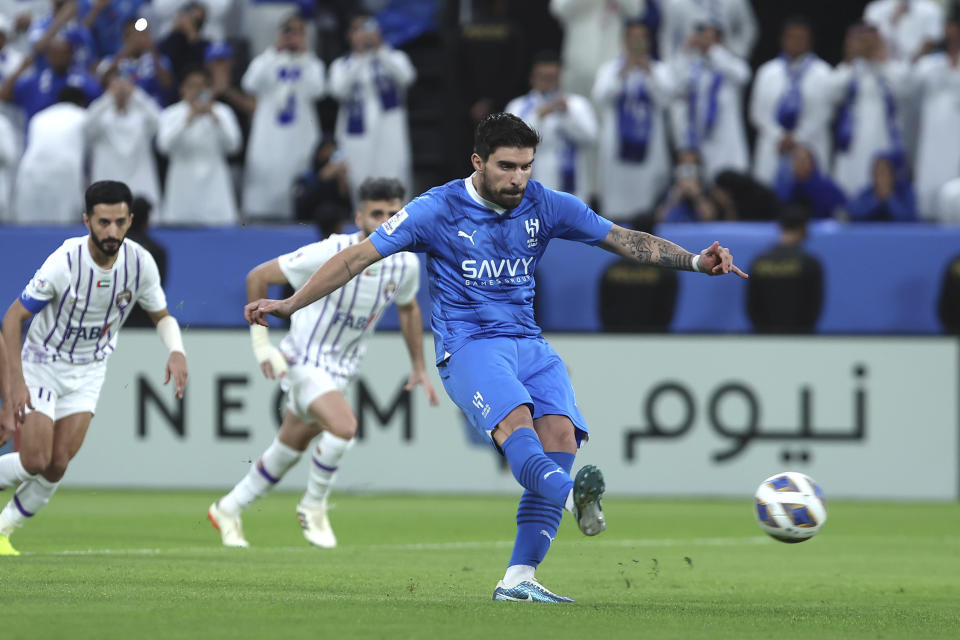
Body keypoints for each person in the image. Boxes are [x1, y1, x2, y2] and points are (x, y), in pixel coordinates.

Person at [245, 113, 748, 602]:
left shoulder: (546, 204)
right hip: (469, 346)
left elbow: (621, 239)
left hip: (529, 343)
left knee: (561, 438)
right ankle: (572, 497)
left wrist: (695, 262)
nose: (518, 178)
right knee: (518, 427)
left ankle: (518, 579)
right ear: (477, 161)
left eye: (527, 165)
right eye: (507, 166)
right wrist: (289, 303)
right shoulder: (434, 209)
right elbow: (356, 258)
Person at [209, 177, 439, 549]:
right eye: (376, 213)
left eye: (393, 213)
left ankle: (228, 507)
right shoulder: (331, 251)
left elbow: (409, 308)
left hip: (342, 369)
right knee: (345, 427)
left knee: (288, 447)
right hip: (303, 359)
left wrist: (418, 366)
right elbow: (259, 277)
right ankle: (313, 505)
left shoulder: (406, 265)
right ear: (358, 215)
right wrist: (262, 346)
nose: (385, 220)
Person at [0, 180, 188, 556]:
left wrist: (177, 350)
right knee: (35, 459)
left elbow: (161, 315)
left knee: (57, 464)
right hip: (43, 362)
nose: (112, 232)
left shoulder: (140, 263)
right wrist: (15, 386)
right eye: (103, 222)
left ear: (130, 220)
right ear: (87, 220)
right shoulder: (64, 262)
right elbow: (12, 318)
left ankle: (3, 529)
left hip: (89, 370)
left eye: (119, 222)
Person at [241, 13, 326, 222]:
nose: (292, 36)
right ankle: (262, 215)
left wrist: (305, 55)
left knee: (298, 169)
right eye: (288, 31)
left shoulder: (312, 63)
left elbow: (319, 89)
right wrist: (274, 51)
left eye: (298, 32)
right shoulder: (267, 60)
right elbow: (249, 83)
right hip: (269, 132)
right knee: (268, 169)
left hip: (300, 132)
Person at [592, 20, 675, 222]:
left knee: (646, 196)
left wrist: (650, 73)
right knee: (616, 194)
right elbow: (600, 98)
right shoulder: (610, 69)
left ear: (648, 41)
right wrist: (622, 73)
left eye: (642, 38)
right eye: (633, 37)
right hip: (618, 147)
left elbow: (667, 100)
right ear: (625, 41)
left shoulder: (660, 69)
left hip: (650, 146)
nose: (638, 42)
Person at [329, 14, 416, 200]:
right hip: (356, 138)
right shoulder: (341, 65)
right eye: (357, 30)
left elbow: (406, 77)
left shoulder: (395, 57)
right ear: (349, 35)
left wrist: (380, 49)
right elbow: (338, 90)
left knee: (395, 183)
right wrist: (359, 57)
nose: (363, 34)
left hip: (391, 135)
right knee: (360, 185)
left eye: (367, 28)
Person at [749, 17, 835, 187]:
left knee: (811, 192)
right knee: (767, 193)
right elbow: (757, 112)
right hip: (774, 145)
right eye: (791, 37)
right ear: (782, 40)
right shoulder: (767, 71)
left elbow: (825, 112)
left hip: (810, 145)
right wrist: (779, 137)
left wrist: (798, 138)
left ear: (810, 41)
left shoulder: (824, 72)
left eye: (801, 38)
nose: (796, 42)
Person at [505, 50, 598, 203]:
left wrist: (567, 116)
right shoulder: (517, 106)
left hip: (571, 192)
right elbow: (510, 143)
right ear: (532, 78)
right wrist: (539, 116)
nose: (548, 82)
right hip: (529, 191)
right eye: (543, 77)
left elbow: (592, 139)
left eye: (553, 77)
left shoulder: (577, 105)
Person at [830, 23, 909, 198]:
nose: (867, 45)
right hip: (853, 140)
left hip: (883, 139)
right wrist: (850, 57)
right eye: (863, 40)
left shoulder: (892, 68)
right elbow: (833, 92)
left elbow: (903, 91)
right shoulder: (850, 69)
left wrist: (882, 59)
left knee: (882, 177)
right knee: (850, 179)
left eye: (871, 40)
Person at [156, 66, 242, 225]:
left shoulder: (222, 112)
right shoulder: (170, 114)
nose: (197, 91)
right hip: (182, 192)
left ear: (208, 89)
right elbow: (164, 147)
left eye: (201, 86)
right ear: (183, 89)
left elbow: (234, 146)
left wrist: (214, 118)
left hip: (215, 192)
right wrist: (188, 120)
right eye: (192, 86)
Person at [667, 22, 751, 181]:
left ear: (720, 42)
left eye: (710, 38)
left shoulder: (729, 64)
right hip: (701, 144)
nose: (705, 42)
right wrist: (685, 52)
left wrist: (714, 50)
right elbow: (675, 86)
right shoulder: (694, 68)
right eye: (702, 38)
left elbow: (744, 75)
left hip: (728, 144)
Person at [85, 69, 162, 210]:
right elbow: (87, 127)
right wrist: (107, 97)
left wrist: (137, 94)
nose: (120, 90)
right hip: (108, 178)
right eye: (115, 86)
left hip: (139, 178)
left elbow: (158, 122)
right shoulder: (102, 116)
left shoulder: (141, 116)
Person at [11, 86, 87, 224]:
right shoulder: (83, 116)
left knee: (29, 225)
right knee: (64, 226)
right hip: (64, 171)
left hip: (30, 171)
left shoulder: (39, 117)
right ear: (81, 103)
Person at [912, 12, 960, 219]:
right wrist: (919, 52)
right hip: (931, 148)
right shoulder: (929, 65)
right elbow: (903, 86)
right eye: (953, 27)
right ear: (947, 29)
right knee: (927, 207)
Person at [746, 204, 823, 334]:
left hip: (763, 338)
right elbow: (814, 307)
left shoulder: (759, 262)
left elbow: (752, 306)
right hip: (801, 339)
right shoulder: (810, 264)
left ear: (780, 227)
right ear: (804, 229)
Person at [774, 144, 846, 220]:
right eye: (796, 160)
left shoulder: (828, 189)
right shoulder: (785, 190)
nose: (800, 164)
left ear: (812, 163)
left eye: (804, 160)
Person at [846, 152, 917, 221]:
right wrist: (876, 200)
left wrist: (889, 198)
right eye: (876, 173)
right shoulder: (867, 192)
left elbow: (908, 217)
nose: (879, 178)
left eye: (883, 172)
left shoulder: (905, 192)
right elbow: (853, 213)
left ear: (893, 174)